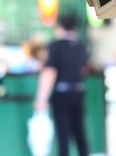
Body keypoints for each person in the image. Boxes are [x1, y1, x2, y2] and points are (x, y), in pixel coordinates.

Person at [34, 12, 88, 156]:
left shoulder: (55, 45)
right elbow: (83, 69)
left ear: (60, 27)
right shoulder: (81, 45)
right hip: (79, 92)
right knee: (80, 133)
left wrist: (41, 98)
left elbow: (50, 72)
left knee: (63, 136)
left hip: (62, 95)